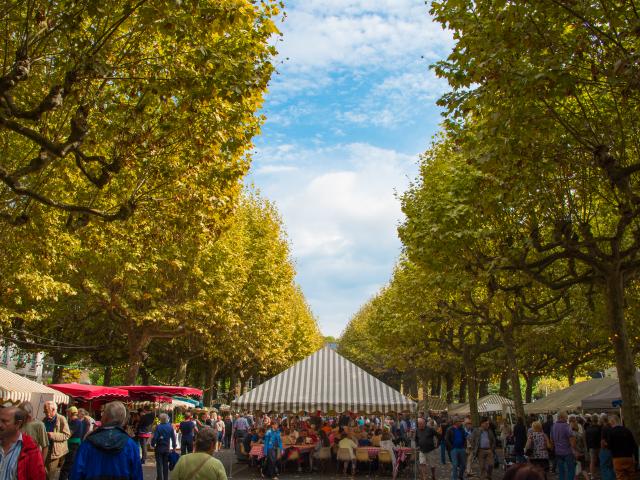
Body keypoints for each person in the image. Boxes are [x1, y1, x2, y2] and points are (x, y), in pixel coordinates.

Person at [70, 401, 143, 480]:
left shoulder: (87, 444)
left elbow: (75, 474)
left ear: (104, 418)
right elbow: (137, 476)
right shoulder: (131, 445)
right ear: (123, 420)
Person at [0, 406, 46, 480]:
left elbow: (38, 477)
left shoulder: (31, 450)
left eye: (4, 421)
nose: (0, 424)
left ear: (18, 424)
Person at [603, 414, 637, 480]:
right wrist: (635, 458)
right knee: (631, 476)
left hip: (617, 458)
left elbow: (610, 446)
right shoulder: (627, 430)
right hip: (628, 457)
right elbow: (634, 445)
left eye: (610, 422)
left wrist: (606, 444)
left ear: (612, 421)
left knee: (620, 476)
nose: (610, 424)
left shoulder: (611, 432)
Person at [43, 400, 70, 480]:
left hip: (55, 452)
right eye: (44, 411)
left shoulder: (61, 419)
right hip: (45, 449)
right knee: (43, 471)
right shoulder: (45, 419)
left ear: (53, 410)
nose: (45, 413)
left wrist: (53, 435)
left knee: (49, 474)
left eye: (46, 411)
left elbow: (66, 435)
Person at [60, 406, 85, 480]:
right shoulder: (73, 421)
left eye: (68, 412)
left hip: (73, 446)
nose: (67, 414)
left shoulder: (76, 422)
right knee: (69, 466)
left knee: (66, 467)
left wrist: (60, 437)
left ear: (71, 413)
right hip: (72, 445)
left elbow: (69, 434)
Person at [551, 411, 576, 480]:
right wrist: (574, 449)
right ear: (562, 417)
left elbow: (552, 440)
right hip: (567, 452)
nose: (567, 419)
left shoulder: (553, 426)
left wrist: (554, 448)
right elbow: (572, 440)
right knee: (571, 470)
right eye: (566, 417)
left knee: (561, 471)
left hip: (558, 452)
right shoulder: (566, 426)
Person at [151, 413, 177, 480]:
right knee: (165, 465)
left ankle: (160, 478)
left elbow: (155, 437)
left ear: (161, 419)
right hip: (166, 448)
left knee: (159, 465)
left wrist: (152, 444)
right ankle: (166, 478)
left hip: (159, 448)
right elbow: (173, 438)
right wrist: (174, 447)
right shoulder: (170, 427)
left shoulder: (158, 427)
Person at [584, 413, 601, 480]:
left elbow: (586, 438)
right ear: (597, 420)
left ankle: (592, 476)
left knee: (592, 461)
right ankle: (600, 474)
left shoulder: (588, 428)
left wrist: (587, 447)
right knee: (601, 461)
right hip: (599, 446)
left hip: (591, 446)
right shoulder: (599, 428)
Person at [599, 414, 615, 480]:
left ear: (602, 420)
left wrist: (602, 449)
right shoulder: (612, 427)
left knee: (604, 466)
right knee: (611, 466)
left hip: (606, 450)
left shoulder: (604, 428)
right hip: (613, 449)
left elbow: (602, 441)